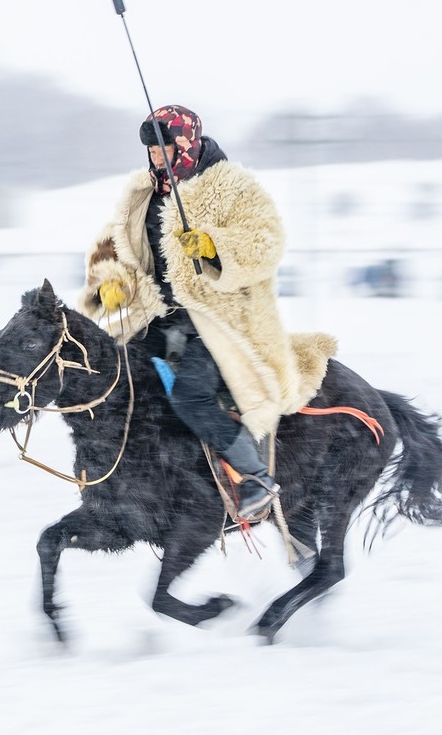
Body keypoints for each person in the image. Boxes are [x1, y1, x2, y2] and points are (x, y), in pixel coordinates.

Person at [79, 105, 336, 520]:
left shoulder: (233, 188)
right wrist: (110, 283)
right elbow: (114, 250)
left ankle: (255, 477)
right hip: (158, 317)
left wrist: (215, 247)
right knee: (114, 379)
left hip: (218, 320)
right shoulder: (141, 195)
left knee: (190, 396)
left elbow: (266, 242)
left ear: (185, 145)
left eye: (162, 148)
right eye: (150, 149)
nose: (155, 157)